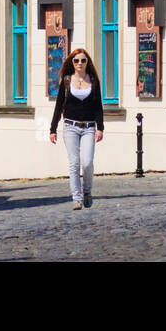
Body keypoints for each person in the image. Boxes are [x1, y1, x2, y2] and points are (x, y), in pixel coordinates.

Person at [49, 47, 104, 210]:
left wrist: (100, 127)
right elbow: (59, 106)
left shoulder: (93, 81)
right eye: (76, 60)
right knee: (74, 163)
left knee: (87, 162)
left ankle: (87, 191)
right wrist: (53, 129)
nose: (79, 63)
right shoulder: (66, 81)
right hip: (70, 127)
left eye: (83, 60)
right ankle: (77, 198)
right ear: (72, 63)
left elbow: (98, 107)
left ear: (87, 62)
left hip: (88, 127)